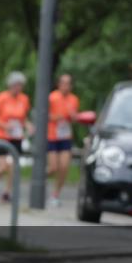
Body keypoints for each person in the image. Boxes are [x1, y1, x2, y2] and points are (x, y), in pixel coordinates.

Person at [0, 71, 32, 203]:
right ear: (11, 85)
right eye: (16, 85)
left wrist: (28, 125)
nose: (19, 88)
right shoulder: (1, 98)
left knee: (13, 166)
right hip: (2, 136)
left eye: (21, 85)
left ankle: (7, 192)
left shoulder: (24, 99)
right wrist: (5, 126)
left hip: (17, 137)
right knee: (3, 166)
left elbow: (24, 118)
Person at [45, 73, 79, 207]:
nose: (65, 86)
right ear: (59, 84)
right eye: (63, 83)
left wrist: (73, 117)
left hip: (65, 136)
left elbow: (75, 118)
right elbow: (44, 115)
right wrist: (56, 117)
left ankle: (55, 194)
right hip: (53, 135)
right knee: (53, 167)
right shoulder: (52, 97)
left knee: (64, 167)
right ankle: (40, 180)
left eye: (68, 83)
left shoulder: (74, 99)